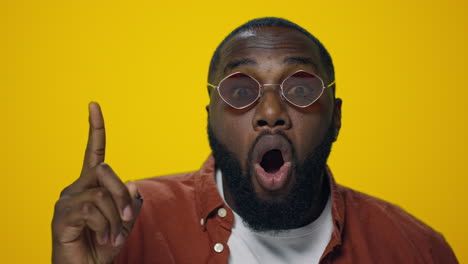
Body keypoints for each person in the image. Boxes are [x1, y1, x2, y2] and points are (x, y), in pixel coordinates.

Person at [51, 17, 458, 264]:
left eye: (300, 90)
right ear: (211, 118)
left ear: (335, 118)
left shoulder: (416, 251)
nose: (269, 111)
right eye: (241, 91)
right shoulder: (124, 228)